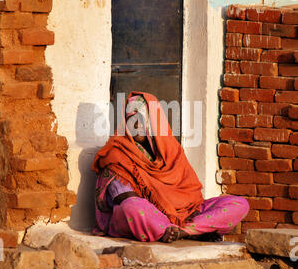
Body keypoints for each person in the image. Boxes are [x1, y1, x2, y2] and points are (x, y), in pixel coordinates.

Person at [91, 92, 249, 243]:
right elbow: (124, 197)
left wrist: (182, 212)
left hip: (184, 216)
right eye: (131, 119)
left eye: (141, 118)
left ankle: (184, 232)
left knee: (239, 204)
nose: (136, 124)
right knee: (131, 207)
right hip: (148, 217)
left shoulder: (172, 151)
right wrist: (165, 211)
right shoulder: (116, 153)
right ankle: (186, 231)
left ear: (154, 120)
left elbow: (191, 195)